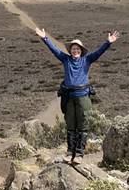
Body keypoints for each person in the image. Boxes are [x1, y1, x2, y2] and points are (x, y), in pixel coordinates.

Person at [34, 27, 121, 164]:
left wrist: (108, 42)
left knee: (82, 125)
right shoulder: (66, 59)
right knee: (70, 125)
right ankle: (70, 153)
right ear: (71, 51)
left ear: (81, 51)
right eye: (73, 49)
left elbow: (99, 52)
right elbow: (54, 50)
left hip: (83, 96)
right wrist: (45, 38)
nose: (75, 51)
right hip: (69, 97)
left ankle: (79, 154)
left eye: (78, 49)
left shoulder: (86, 60)